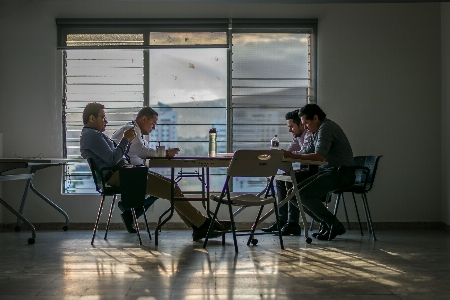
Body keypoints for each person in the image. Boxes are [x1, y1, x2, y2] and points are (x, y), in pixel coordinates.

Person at [80, 103, 222, 241]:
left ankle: (198, 226)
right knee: (171, 188)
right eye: (102, 117)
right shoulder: (92, 135)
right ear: (92, 118)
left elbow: (115, 156)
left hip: (124, 173)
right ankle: (202, 224)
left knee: (172, 187)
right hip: (119, 175)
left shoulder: (94, 134)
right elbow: (112, 159)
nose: (106, 121)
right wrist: (125, 140)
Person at [283, 104, 355, 241]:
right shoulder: (316, 132)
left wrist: (290, 155)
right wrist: (286, 155)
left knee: (303, 195)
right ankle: (327, 223)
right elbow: (305, 153)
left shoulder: (326, 128)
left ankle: (333, 224)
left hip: (341, 173)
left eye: (306, 123)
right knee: (292, 196)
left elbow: (319, 156)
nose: (305, 127)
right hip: (327, 172)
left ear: (315, 118)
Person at [262, 109, 316, 236]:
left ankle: (293, 223)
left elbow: (303, 153)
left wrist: (288, 154)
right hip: (306, 170)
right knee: (281, 179)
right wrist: (280, 154)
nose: (290, 130)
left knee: (292, 179)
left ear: (301, 124)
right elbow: (289, 153)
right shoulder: (298, 137)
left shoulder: (309, 134)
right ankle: (282, 220)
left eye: (291, 126)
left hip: (316, 171)